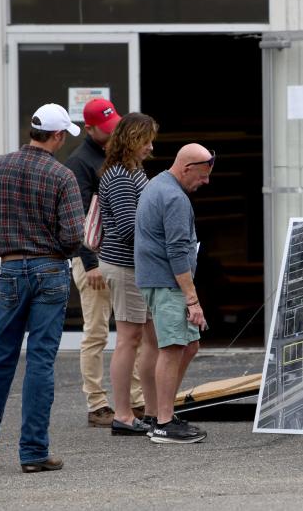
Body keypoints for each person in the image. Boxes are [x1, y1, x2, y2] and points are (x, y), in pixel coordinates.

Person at [0, 103, 84, 473]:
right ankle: (33, 451)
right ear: (58, 135)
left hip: (11, 269)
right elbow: (73, 236)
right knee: (40, 362)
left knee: (0, 359)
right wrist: (52, 249)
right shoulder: (62, 176)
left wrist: (8, 239)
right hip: (50, 270)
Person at [64, 97, 141, 427]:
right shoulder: (80, 162)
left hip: (120, 258)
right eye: (105, 130)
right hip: (94, 259)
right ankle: (96, 403)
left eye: (114, 127)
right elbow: (79, 215)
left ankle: (136, 398)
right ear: (88, 128)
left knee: (131, 331)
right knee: (96, 331)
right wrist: (89, 261)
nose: (111, 134)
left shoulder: (119, 158)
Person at [135, 144, 213, 444]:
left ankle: (159, 413)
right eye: (202, 176)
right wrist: (192, 299)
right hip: (168, 283)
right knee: (172, 348)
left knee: (187, 345)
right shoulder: (174, 197)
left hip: (157, 280)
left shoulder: (157, 184)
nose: (205, 182)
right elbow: (178, 250)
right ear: (186, 168)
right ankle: (164, 422)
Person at [98, 113, 160, 436]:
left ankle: (152, 411)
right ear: (132, 140)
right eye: (146, 140)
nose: (150, 146)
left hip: (139, 267)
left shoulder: (133, 170)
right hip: (125, 266)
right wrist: (162, 239)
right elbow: (126, 228)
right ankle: (122, 414)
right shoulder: (121, 176)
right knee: (129, 339)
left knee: (152, 339)